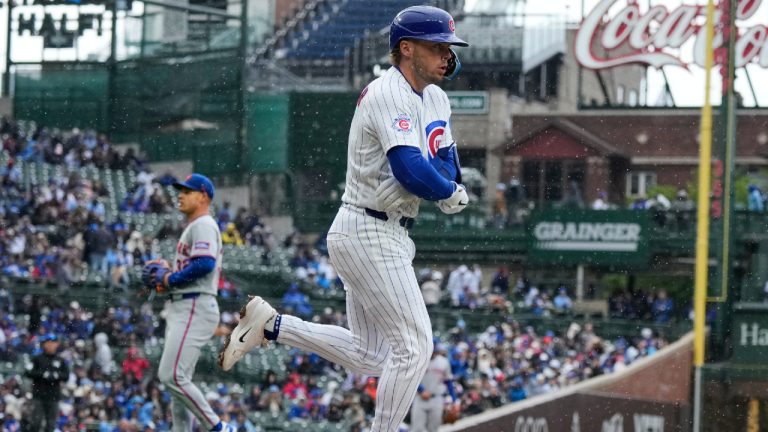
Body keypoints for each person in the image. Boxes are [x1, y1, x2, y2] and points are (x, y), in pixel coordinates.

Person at [219, 6, 469, 432]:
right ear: (406, 48)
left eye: (449, 47)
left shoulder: (437, 97)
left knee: (371, 356)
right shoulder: (387, 91)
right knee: (415, 346)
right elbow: (414, 169)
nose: (447, 55)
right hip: (367, 227)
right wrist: (444, 190)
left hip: (387, 232)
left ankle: (273, 325)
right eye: (437, 46)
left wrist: (444, 183)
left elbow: (449, 165)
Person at [140, 173, 234, 431]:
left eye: (187, 191)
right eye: (180, 190)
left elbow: (205, 264)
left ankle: (218, 428)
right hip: (187, 304)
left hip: (194, 304)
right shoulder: (195, 226)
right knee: (179, 383)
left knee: (171, 376)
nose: (180, 195)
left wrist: (170, 278)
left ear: (203, 196)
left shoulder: (202, 224)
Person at [410, 343, 458, 432]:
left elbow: (448, 381)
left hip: (437, 398)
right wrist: (421, 390)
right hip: (420, 399)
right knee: (417, 429)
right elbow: (412, 378)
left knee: (433, 429)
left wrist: (454, 400)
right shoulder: (418, 360)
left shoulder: (443, 361)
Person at [26, 333, 69, 432]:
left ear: (57, 344)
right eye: (48, 343)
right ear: (44, 344)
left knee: (51, 424)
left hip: (54, 396)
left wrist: (55, 375)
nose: (50, 345)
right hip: (39, 395)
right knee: (35, 423)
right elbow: (28, 372)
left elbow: (66, 376)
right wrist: (43, 374)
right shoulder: (37, 359)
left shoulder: (60, 360)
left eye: (53, 343)